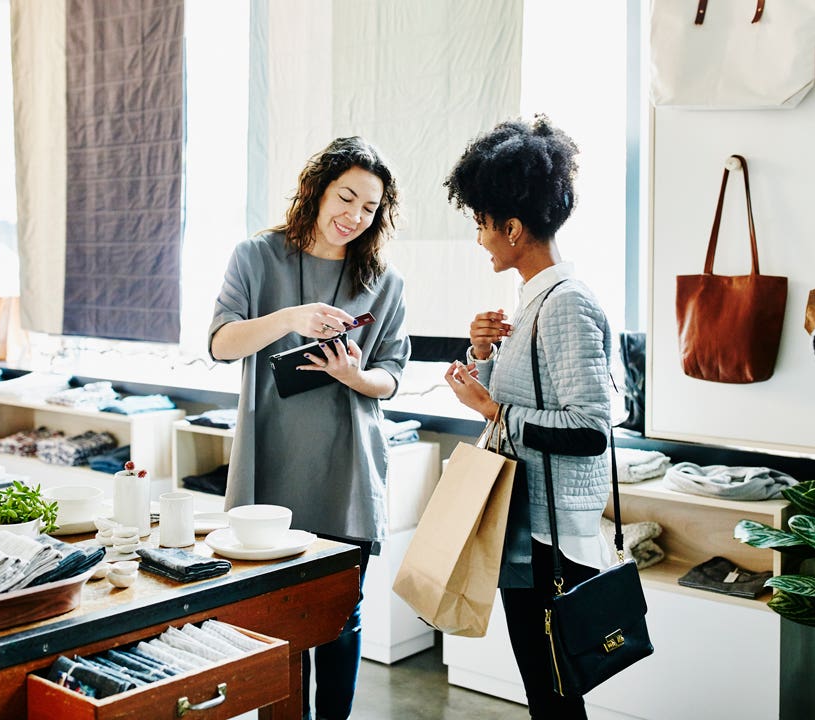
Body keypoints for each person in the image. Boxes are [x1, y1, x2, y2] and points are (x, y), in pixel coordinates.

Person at [208, 136, 410, 720]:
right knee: (272, 615)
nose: (354, 216)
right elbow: (222, 345)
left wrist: (354, 375)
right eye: (345, 197)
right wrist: (292, 319)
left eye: (369, 208)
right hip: (270, 460)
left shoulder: (386, 281)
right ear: (316, 190)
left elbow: (393, 376)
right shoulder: (255, 256)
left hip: (347, 465)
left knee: (341, 614)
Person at [441, 116, 613, 720]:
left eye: (483, 225)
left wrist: (491, 408)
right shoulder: (536, 297)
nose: (481, 239)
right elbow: (530, 404)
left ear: (512, 228)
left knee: (555, 694)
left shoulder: (564, 303)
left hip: (552, 541)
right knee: (547, 689)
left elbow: (590, 430)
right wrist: (485, 359)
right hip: (533, 526)